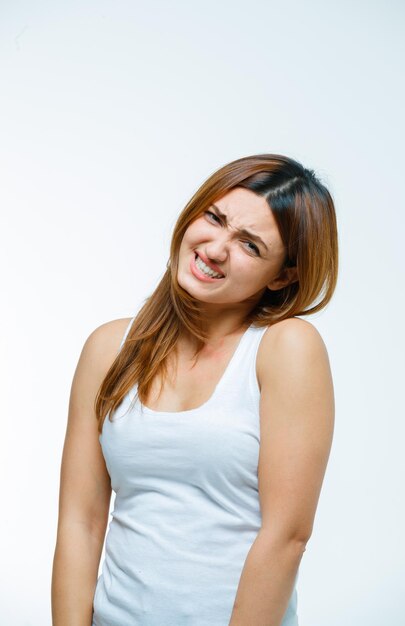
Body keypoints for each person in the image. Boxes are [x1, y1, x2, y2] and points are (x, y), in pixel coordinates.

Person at [51, 153, 337, 626]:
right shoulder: (108, 348)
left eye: (249, 245)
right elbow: (79, 522)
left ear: (283, 275)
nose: (216, 248)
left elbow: (287, 536)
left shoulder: (285, 348)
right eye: (215, 218)